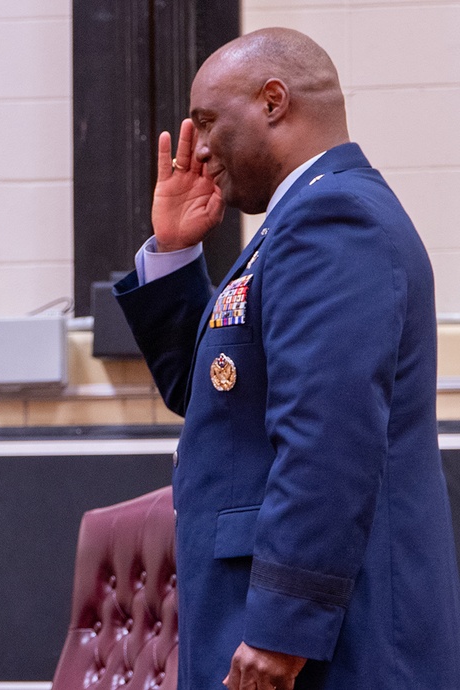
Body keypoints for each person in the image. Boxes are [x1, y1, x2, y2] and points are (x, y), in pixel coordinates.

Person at [114, 27, 460, 690]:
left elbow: (327, 435)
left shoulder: (332, 216)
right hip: (279, 620)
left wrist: (282, 627)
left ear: (273, 100)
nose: (201, 147)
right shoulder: (296, 221)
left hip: (330, 642)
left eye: (209, 121)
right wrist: (174, 252)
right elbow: (209, 388)